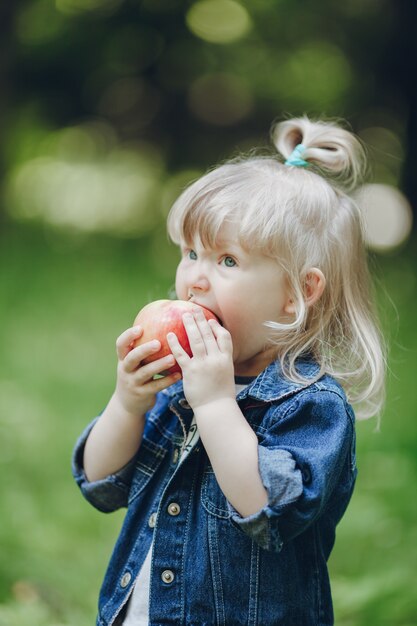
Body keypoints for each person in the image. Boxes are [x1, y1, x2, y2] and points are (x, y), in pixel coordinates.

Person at [72, 116, 386, 626]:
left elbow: (267, 510)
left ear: (297, 294)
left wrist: (216, 405)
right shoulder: (181, 380)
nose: (194, 278)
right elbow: (101, 480)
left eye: (227, 261)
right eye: (191, 252)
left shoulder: (310, 405)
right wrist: (128, 402)